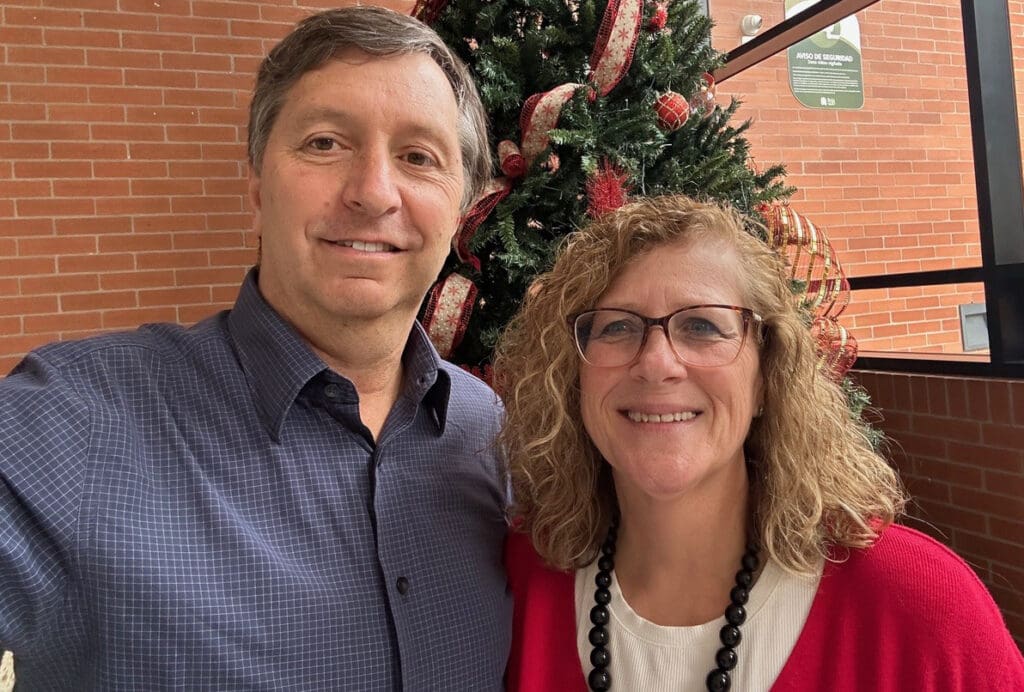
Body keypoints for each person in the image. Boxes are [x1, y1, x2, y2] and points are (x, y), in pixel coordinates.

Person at [0, 7, 510, 690]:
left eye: (419, 157)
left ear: (462, 212)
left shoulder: (488, 433)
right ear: (256, 188)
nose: (372, 192)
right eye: (326, 144)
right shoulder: (73, 423)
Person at [495, 195, 1024, 691]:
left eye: (702, 325)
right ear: (573, 378)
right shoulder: (519, 579)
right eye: (615, 328)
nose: (657, 363)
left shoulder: (919, 605)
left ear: (766, 377)